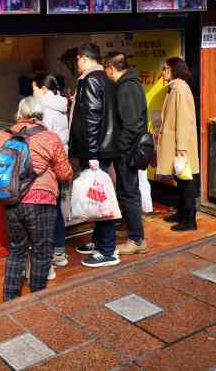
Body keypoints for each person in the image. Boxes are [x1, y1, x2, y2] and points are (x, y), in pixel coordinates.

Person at [0, 97, 73, 300]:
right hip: (41, 201)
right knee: (41, 250)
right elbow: (65, 174)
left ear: (19, 114)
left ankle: (9, 299)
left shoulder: (4, 137)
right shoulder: (49, 138)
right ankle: (37, 301)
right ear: (40, 114)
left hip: (12, 201)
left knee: (16, 250)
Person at [69, 43, 121, 267]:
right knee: (98, 194)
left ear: (82, 59)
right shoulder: (106, 78)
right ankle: (100, 242)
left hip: (96, 150)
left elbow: (91, 119)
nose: (77, 65)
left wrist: (91, 156)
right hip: (104, 146)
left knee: (101, 198)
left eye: (77, 61)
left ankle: (108, 250)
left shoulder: (89, 80)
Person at [103, 52, 148, 255]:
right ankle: (131, 229)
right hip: (128, 149)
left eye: (106, 69)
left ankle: (137, 240)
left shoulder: (127, 86)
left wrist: (120, 148)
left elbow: (131, 124)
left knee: (129, 193)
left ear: (111, 68)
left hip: (128, 151)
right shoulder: (129, 83)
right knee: (128, 192)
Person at [157, 57, 200, 231]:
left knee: (186, 182)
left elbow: (183, 120)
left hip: (181, 145)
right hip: (178, 143)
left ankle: (189, 220)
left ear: (175, 69)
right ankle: (182, 213)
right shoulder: (176, 88)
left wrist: (181, 147)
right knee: (181, 181)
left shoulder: (180, 89)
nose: (163, 71)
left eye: (165, 68)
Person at [32, 73, 70, 269]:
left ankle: (50, 254)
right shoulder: (61, 106)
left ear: (43, 89)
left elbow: (43, 141)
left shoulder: (45, 110)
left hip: (48, 165)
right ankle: (60, 251)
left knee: (47, 211)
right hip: (61, 160)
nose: (33, 92)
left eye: (35, 89)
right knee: (55, 209)